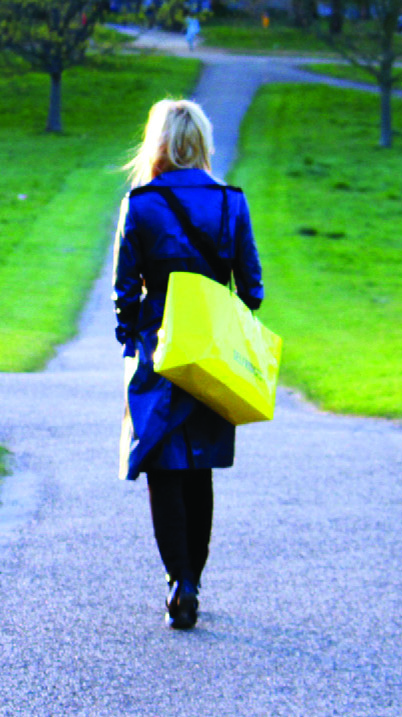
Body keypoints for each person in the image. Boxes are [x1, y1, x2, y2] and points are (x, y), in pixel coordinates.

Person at [113, 99, 263, 630]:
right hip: (213, 351)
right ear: (200, 142)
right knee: (200, 468)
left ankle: (178, 579)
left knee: (161, 466)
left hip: (159, 349)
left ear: (157, 143)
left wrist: (132, 341)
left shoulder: (140, 205)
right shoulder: (231, 204)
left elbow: (124, 294)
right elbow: (254, 290)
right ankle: (192, 580)